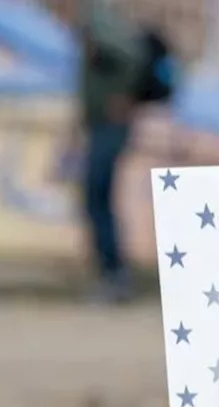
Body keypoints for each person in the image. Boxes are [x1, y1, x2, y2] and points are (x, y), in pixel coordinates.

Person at [72, 0, 143, 305]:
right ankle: (111, 273)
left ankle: (114, 275)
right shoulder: (96, 22)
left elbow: (131, 59)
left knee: (97, 198)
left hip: (109, 128)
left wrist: (123, 97)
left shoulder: (100, 23)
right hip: (100, 126)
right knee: (96, 199)